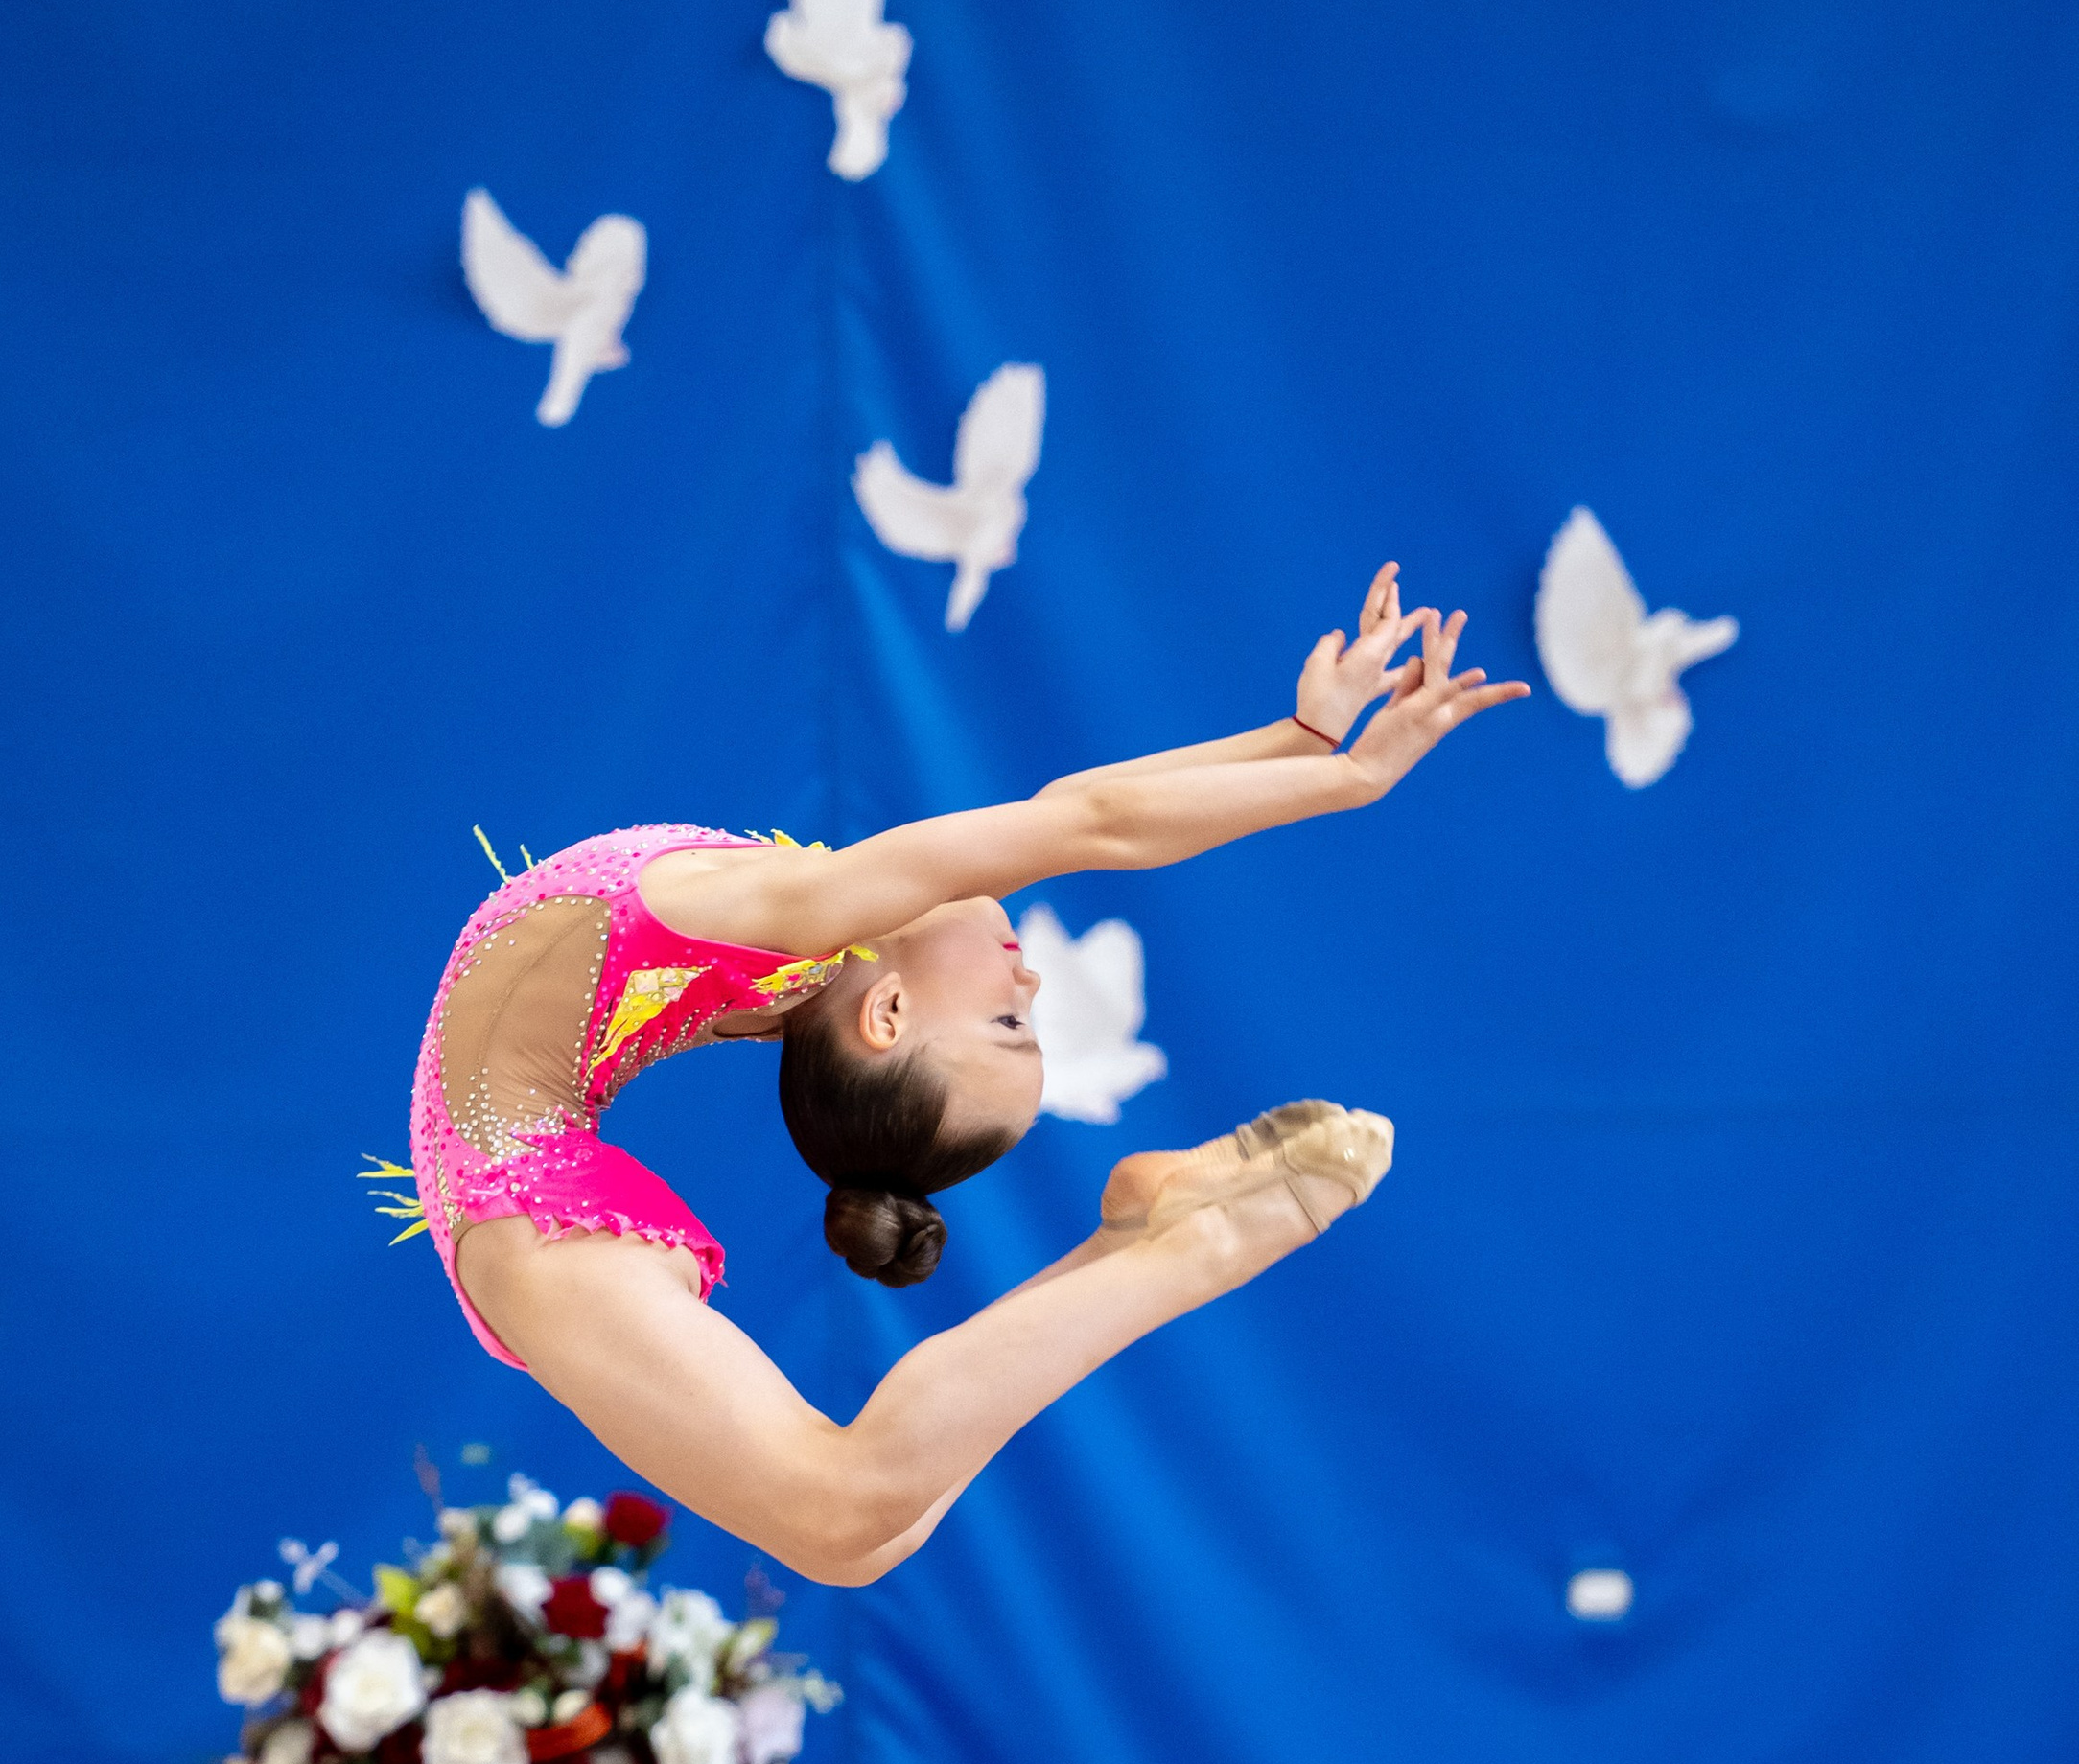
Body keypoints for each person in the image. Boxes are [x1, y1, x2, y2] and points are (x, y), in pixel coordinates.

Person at [404, 571, 1526, 1586]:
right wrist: (1301, 742)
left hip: (517, 1194)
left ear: (888, 1014)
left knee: (858, 1523)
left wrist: (1345, 775)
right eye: (1026, 1013)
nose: (1029, 977)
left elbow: (1090, 822)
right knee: (858, 1528)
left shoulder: (799, 921)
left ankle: (1173, 1245)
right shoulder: (803, 933)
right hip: (520, 1181)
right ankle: (1160, 1240)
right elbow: (1078, 810)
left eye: (1004, 1017)